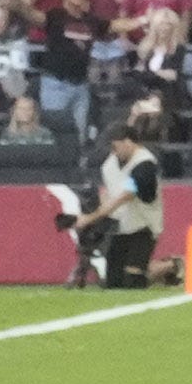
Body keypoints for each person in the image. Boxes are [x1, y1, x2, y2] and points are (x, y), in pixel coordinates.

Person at [81, 103, 166, 288]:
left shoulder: (144, 165)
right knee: (113, 282)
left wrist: (90, 218)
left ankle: (169, 267)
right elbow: (108, 189)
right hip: (122, 225)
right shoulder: (112, 162)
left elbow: (125, 196)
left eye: (115, 147)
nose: (113, 152)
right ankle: (155, 270)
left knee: (132, 281)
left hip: (144, 225)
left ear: (128, 143)